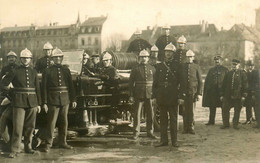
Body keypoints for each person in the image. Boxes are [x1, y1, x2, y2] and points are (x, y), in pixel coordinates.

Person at [1, 48, 41, 158]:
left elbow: (37, 89)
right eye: (23, 58)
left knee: (30, 127)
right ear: (20, 59)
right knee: (17, 128)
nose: (25, 60)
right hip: (18, 102)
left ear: (30, 59)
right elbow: (3, 84)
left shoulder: (33, 71)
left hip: (32, 102)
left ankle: (28, 147)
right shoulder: (15, 71)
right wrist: (12, 94)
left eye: (27, 58)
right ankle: (14, 149)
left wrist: (38, 104)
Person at [41, 48, 77, 152]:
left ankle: (63, 142)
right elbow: (44, 88)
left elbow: (71, 86)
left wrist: (73, 99)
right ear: (52, 58)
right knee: (51, 122)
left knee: (64, 122)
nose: (57, 59)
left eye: (59, 57)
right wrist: (44, 102)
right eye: (55, 57)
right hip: (53, 100)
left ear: (62, 58)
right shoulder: (47, 71)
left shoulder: (66, 70)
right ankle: (48, 144)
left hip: (65, 99)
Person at [153, 43, 179, 147]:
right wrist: (154, 96)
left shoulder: (177, 65)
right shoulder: (159, 66)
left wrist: (181, 97)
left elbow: (181, 82)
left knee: (173, 119)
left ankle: (174, 141)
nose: (168, 54)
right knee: (163, 120)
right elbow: (155, 83)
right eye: (166, 52)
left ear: (173, 53)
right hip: (162, 96)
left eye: (170, 52)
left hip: (173, 96)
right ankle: (163, 141)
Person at [129, 49, 157, 140]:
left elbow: (156, 83)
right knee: (137, 114)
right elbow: (131, 83)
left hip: (150, 94)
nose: (144, 58)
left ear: (148, 58)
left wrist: (155, 95)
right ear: (140, 58)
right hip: (138, 93)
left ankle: (150, 132)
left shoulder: (152, 68)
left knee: (150, 114)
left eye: (145, 57)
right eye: (142, 57)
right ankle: (136, 132)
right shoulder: (135, 68)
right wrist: (131, 95)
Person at [178, 50, 202, 134]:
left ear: (193, 57)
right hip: (184, 92)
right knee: (184, 111)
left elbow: (200, 81)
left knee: (191, 111)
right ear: (186, 58)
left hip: (193, 92)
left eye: (191, 57)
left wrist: (199, 93)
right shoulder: (182, 67)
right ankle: (185, 128)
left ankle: (191, 127)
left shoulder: (196, 67)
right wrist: (180, 95)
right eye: (188, 57)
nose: (189, 58)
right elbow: (179, 81)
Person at [220, 59, 248, 130]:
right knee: (225, 109)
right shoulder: (228, 74)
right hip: (228, 95)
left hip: (238, 95)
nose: (233, 66)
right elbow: (223, 85)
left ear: (239, 65)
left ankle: (235, 124)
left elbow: (245, 85)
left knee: (237, 110)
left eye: (235, 65)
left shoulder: (242, 74)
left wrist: (243, 95)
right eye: (232, 64)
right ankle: (226, 124)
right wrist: (222, 95)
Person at [202, 56, 228, 125]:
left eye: (218, 60)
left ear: (221, 61)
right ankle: (211, 121)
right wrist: (207, 91)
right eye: (216, 60)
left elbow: (228, 81)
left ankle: (225, 122)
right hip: (213, 92)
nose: (217, 61)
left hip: (221, 92)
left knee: (224, 107)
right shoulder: (211, 70)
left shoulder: (225, 70)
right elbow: (207, 82)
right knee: (212, 107)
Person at [253, 58, 260, 128]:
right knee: (257, 108)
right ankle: (258, 123)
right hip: (257, 93)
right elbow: (252, 83)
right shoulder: (255, 72)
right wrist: (253, 92)